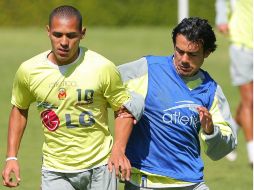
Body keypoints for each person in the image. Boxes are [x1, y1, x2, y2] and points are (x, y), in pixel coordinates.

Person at [2, 5, 143, 190]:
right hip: (55, 169)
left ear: (82, 33)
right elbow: (20, 108)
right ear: (48, 32)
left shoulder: (102, 68)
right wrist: (12, 156)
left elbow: (122, 109)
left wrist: (118, 149)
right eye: (57, 34)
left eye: (71, 35)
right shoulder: (29, 71)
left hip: (100, 165)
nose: (64, 42)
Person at [117, 17, 237, 190]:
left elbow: (223, 149)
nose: (184, 59)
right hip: (145, 182)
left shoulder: (212, 91)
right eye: (179, 51)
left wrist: (211, 131)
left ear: (207, 52)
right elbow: (104, 82)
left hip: (191, 182)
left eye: (192, 54)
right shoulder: (147, 69)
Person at [215, 0, 253, 165]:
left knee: (250, 101)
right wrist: (221, 19)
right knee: (249, 100)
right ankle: (252, 154)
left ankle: (230, 134)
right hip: (241, 47)